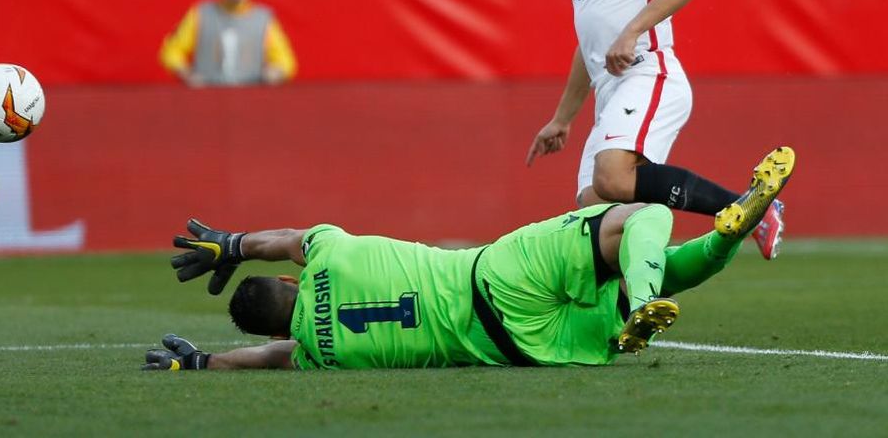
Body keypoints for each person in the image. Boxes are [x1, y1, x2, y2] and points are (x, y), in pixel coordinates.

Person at [142, 146, 796, 370]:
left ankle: (710, 245)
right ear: (287, 280)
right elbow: (283, 237)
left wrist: (199, 362)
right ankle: (717, 237)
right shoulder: (325, 256)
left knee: (655, 266)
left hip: (519, 349)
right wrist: (230, 243)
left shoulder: (314, 352)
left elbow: (266, 360)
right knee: (644, 219)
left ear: (281, 328)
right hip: (494, 275)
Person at [525, 0, 784, 261]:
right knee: (595, 214)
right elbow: (587, 46)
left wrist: (632, 32)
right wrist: (562, 119)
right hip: (610, 96)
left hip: (650, 73)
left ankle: (751, 207)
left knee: (611, 175)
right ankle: (638, 306)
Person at [160, 0, 297, 87]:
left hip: (250, 91)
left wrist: (275, 73)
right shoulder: (200, 14)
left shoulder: (264, 19)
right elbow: (172, 51)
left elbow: (286, 61)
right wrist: (187, 74)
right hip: (208, 91)